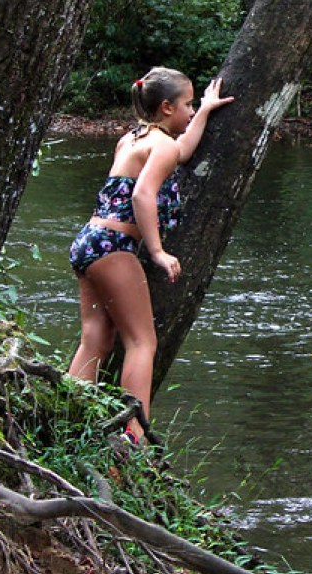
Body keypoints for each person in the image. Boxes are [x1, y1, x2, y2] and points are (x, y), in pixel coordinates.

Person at [67, 67, 234, 446]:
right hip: (113, 247)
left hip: (89, 242)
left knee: (95, 340)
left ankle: (67, 419)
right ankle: (135, 434)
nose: (191, 111)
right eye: (188, 104)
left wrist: (206, 110)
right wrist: (157, 251)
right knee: (142, 342)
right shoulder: (160, 146)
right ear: (166, 107)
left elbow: (182, 151)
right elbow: (143, 194)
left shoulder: (132, 139)